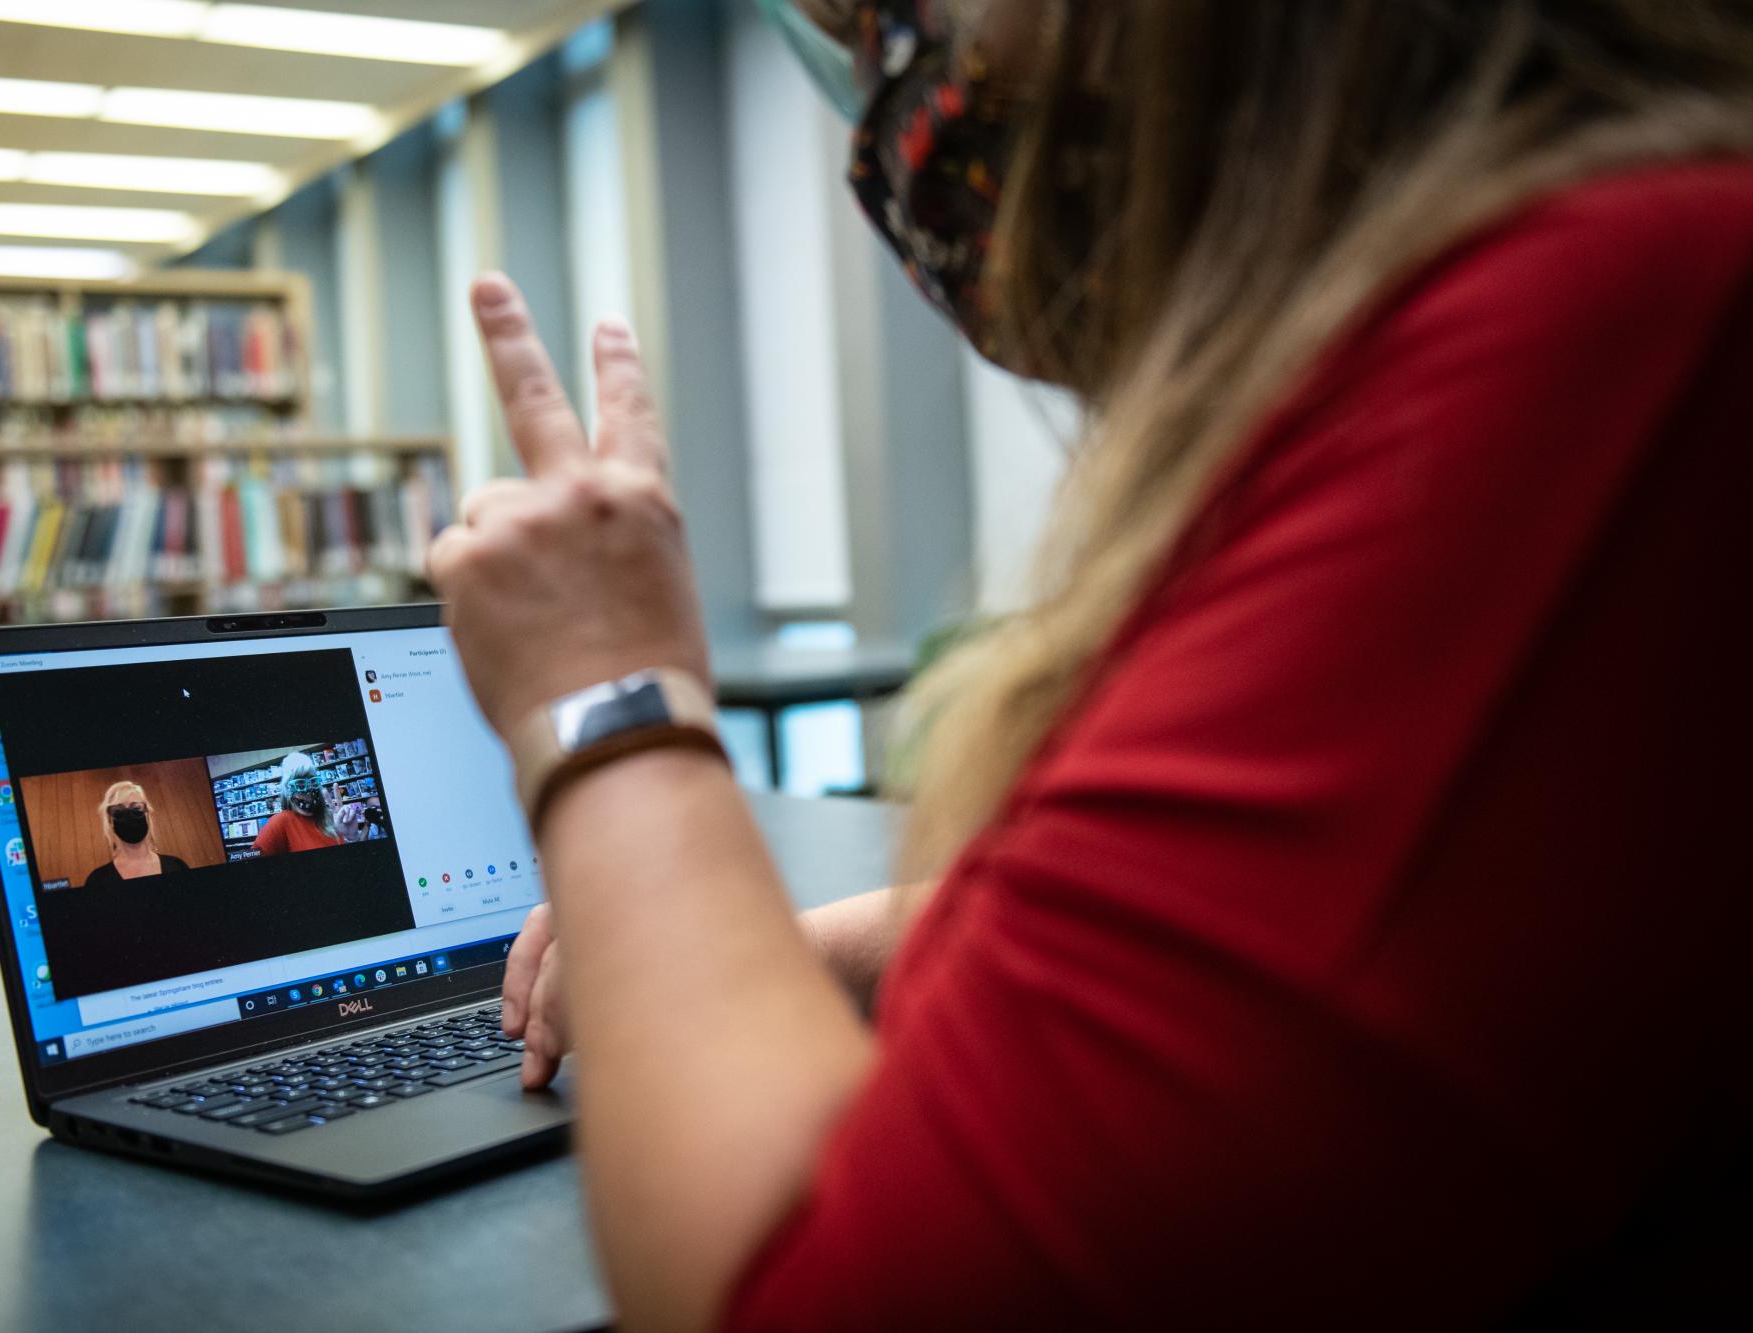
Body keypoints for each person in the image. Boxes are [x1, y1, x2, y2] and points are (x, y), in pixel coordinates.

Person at [426, 1, 1753, 1327]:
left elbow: (816, 1298)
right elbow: (1360, 903)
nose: (897, 73)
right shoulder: (1516, 327)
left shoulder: (1607, 326)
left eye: (917, 13)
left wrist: (605, 698)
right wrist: (875, 944)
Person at [252, 750, 370, 855]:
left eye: (313, 782)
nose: (308, 792)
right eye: (300, 785)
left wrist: (351, 837)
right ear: (288, 790)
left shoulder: (333, 818)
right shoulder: (279, 823)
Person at [80, 781, 190, 888]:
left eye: (136, 808)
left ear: (147, 814)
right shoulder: (97, 880)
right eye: (118, 811)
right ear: (109, 821)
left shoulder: (177, 866)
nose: (128, 816)